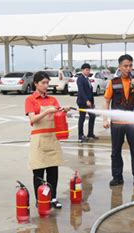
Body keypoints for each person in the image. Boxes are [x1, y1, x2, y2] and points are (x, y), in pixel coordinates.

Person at [25, 71, 70, 209]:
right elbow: (32, 119)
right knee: (38, 172)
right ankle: (40, 200)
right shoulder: (30, 100)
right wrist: (46, 111)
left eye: (47, 83)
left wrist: (64, 110)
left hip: (52, 138)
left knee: (53, 171)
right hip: (38, 139)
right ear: (36, 84)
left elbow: (58, 115)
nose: (46, 85)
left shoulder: (52, 99)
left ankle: (53, 197)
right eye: (43, 83)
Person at [103, 54, 134, 189]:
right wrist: (105, 118)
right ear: (119, 67)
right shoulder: (113, 82)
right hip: (117, 124)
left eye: (130, 66)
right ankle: (117, 177)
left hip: (133, 123)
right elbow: (106, 100)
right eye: (125, 66)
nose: (128, 69)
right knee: (115, 152)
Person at [76, 63, 97, 142]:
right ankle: (80, 135)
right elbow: (81, 91)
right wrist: (86, 100)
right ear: (82, 70)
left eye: (89, 70)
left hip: (89, 102)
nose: (88, 71)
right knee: (82, 118)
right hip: (82, 102)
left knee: (92, 116)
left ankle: (90, 133)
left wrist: (92, 102)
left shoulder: (87, 79)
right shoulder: (80, 79)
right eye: (86, 70)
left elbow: (90, 92)